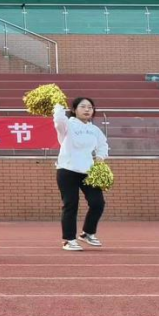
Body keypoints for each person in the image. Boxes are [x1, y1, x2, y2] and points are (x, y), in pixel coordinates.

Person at [54, 97, 110, 252]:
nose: (87, 110)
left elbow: (103, 145)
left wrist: (100, 158)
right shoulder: (68, 125)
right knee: (71, 204)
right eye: (83, 106)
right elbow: (58, 121)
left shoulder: (94, 129)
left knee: (97, 203)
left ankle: (87, 233)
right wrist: (57, 104)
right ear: (74, 110)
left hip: (88, 172)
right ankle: (69, 240)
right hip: (67, 170)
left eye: (90, 107)